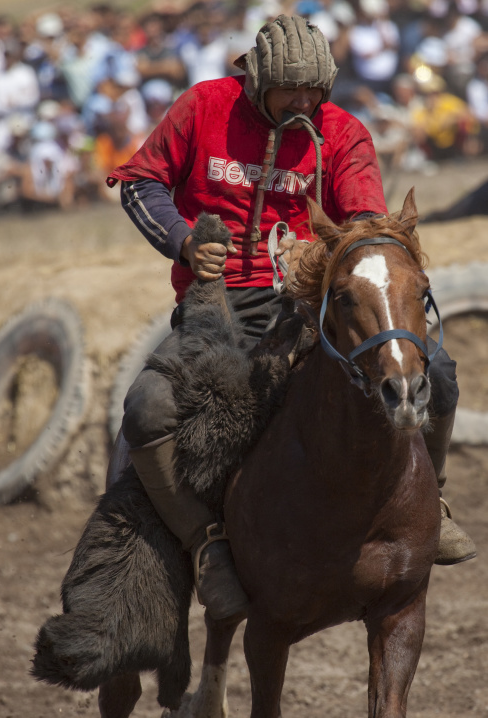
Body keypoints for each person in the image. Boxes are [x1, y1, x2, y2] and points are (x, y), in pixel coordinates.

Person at [106, 15, 476, 622]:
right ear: (257, 82)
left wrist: (330, 257)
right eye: (289, 90)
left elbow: (365, 229)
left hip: (312, 303)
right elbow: (141, 183)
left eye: (314, 90)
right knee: (147, 409)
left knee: (438, 372)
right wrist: (182, 242)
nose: (303, 101)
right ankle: (206, 545)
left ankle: (432, 500)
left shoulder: (345, 134)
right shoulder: (204, 108)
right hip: (217, 302)